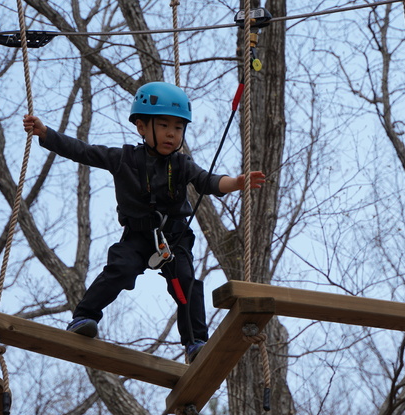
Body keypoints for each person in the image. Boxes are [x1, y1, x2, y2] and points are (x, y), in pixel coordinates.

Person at [23, 81, 265, 363]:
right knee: (120, 269)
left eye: (178, 128)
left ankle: (195, 342)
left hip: (174, 238)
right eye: (164, 126)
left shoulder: (182, 164)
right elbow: (83, 151)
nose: (171, 134)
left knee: (185, 283)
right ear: (141, 126)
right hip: (138, 236)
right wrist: (46, 134)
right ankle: (84, 317)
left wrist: (234, 183)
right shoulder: (123, 159)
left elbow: (208, 181)